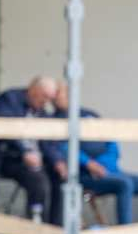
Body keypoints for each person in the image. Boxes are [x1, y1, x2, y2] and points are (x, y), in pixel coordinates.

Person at [0, 76, 59, 222]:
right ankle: (35, 231)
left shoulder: (42, 111)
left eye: (49, 99)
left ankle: (56, 230)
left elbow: (48, 142)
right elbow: (4, 127)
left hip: (34, 161)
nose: (46, 102)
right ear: (33, 89)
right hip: (6, 157)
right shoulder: (9, 99)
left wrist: (58, 161)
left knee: (59, 178)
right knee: (38, 182)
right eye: (44, 96)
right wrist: (25, 151)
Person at [44, 84, 131, 224]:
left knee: (129, 180)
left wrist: (106, 166)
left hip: (109, 170)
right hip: (84, 175)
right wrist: (89, 164)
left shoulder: (90, 114)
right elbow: (64, 147)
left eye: (64, 93)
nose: (60, 98)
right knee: (124, 184)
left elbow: (111, 140)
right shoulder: (54, 120)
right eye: (58, 95)